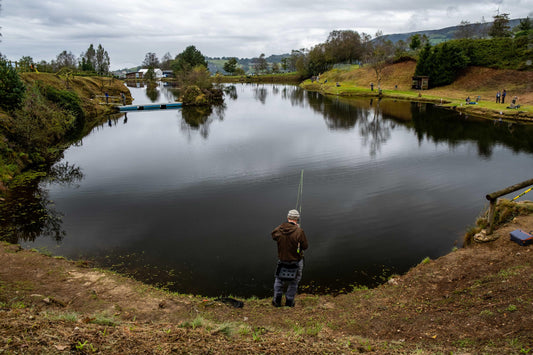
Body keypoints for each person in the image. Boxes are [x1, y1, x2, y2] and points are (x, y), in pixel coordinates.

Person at [271, 209, 308, 307]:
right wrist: (297, 230)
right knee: (294, 281)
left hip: (282, 260)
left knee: (279, 280)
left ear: (288, 218)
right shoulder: (299, 231)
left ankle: (277, 301)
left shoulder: (279, 229)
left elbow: (273, 236)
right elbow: (305, 247)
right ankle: (289, 302)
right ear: (297, 219)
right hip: (296, 261)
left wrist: (282, 227)